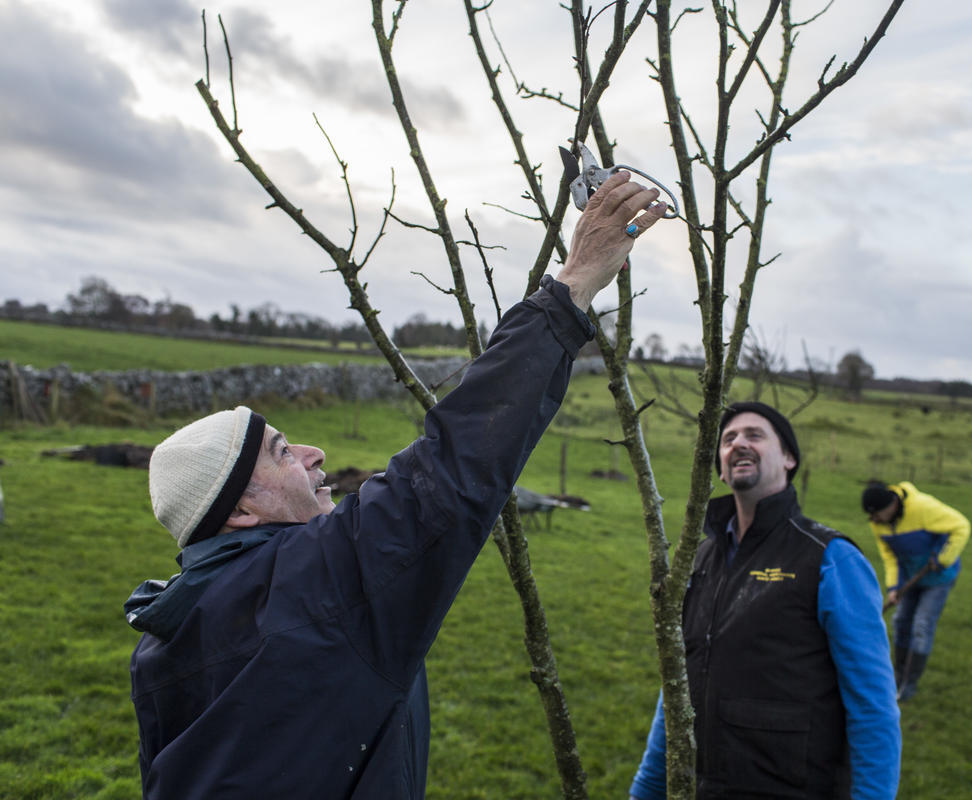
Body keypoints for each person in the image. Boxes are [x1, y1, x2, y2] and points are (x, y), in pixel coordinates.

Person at [124, 171, 667, 800]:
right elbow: (454, 466)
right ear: (242, 510)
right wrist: (572, 287)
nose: (312, 451)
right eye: (280, 452)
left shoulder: (166, 633)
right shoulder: (316, 584)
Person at [630, 402, 901, 800]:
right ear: (721, 468)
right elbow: (677, 683)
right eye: (728, 439)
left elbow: (873, 707)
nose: (739, 443)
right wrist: (647, 788)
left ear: (789, 458)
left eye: (755, 435)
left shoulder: (830, 558)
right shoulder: (699, 559)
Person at [861, 480, 970, 702]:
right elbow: (889, 557)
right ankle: (897, 678)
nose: (875, 521)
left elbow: (961, 525)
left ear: (891, 505)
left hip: (939, 577)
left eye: (878, 515)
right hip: (911, 578)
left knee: (922, 625)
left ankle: (909, 684)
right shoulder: (879, 524)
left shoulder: (922, 508)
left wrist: (943, 560)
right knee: (901, 622)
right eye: (872, 517)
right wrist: (893, 587)